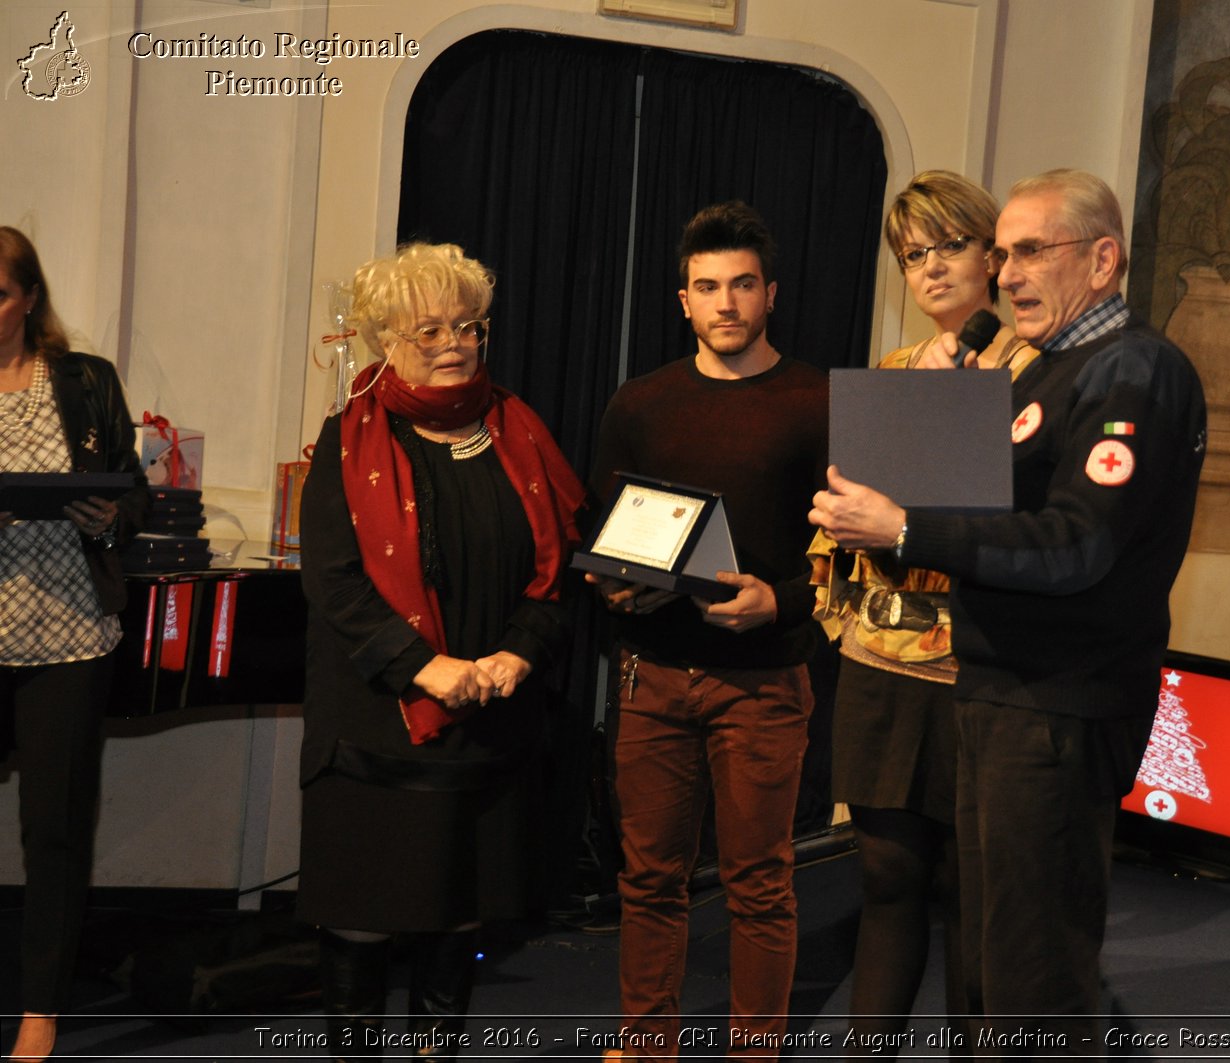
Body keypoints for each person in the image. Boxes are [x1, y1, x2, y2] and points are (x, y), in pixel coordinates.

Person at [810, 169, 1207, 1053]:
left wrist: (905, 526)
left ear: (1103, 260)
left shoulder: (1133, 370)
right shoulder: (1051, 370)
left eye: (1031, 250)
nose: (1008, 272)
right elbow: (991, 515)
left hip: (1059, 705)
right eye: (1004, 254)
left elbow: (1074, 545)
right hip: (997, 696)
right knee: (990, 966)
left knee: (1035, 981)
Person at [297, 242, 584, 1061]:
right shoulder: (347, 440)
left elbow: (557, 566)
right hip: (377, 727)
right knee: (360, 916)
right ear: (385, 339)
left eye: (468, 325)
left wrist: (517, 657)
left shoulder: (518, 427)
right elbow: (336, 584)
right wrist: (430, 668)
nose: (454, 341)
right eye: (429, 329)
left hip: (489, 720)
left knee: (460, 913)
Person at [587, 202, 827, 1059]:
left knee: (760, 883)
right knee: (649, 879)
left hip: (764, 680)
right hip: (651, 675)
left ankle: (753, 1050)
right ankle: (646, 1043)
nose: (725, 302)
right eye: (707, 287)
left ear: (771, 294)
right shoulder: (640, 402)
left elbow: (852, 552)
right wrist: (615, 589)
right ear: (682, 299)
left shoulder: (818, 399)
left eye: (742, 285)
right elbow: (608, 531)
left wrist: (782, 600)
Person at [808, 171, 1034, 1053]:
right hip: (882, 664)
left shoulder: (1035, 371)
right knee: (887, 875)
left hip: (982, 668)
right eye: (913, 255)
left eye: (948, 246)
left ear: (993, 254)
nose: (931, 268)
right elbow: (841, 525)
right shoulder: (892, 375)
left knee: (972, 892)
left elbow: (1035, 524)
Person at [0, 225, 148, 1063]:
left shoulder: (85, 380)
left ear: (27, 300)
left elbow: (132, 488)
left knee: (52, 829)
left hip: (65, 635)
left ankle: (41, 1009)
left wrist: (110, 512)